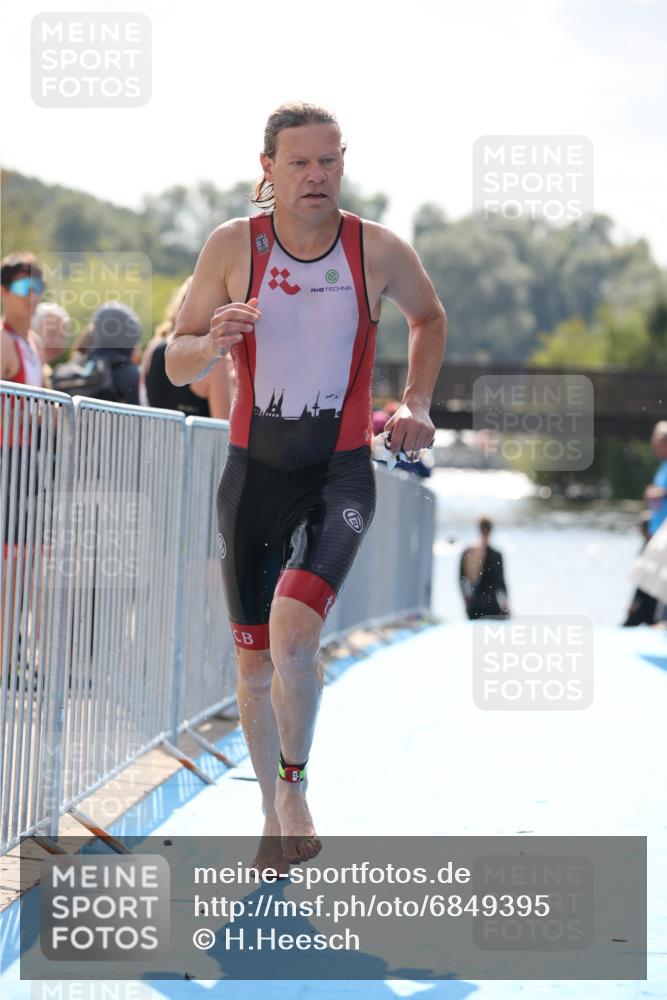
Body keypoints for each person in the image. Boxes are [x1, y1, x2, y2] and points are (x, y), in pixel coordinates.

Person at [165, 101, 446, 872]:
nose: (316, 175)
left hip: (340, 469)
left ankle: (293, 785)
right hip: (253, 472)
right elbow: (175, 362)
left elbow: (429, 318)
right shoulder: (232, 246)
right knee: (252, 663)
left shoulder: (377, 250)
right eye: (299, 162)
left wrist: (416, 402)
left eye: (329, 161)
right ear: (268, 171)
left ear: (342, 164)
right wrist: (209, 339)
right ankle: (269, 810)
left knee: (293, 634)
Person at [143, 277, 235, 418]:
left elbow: (144, 400)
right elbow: (222, 425)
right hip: (195, 440)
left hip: (155, 437)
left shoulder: (154, 347)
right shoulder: (214, 359)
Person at [1, 253, 47, 389]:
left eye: (37, 286)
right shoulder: (3, 340)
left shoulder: (36, 343)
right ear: (3, 291)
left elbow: (48, 404)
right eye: (23, 286)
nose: (32, 296)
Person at [459, 516, 510, 620]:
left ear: (478, 529)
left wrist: (467, 600)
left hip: (474, 604)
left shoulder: (468, 552)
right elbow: (501, 583)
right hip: (492, 605)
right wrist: (506, 605)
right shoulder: (496, 554)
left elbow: (462, 580)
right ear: (491, 530)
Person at [622, 510, 657, 627]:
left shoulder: (652, 548)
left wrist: (634, 602)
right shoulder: (651, 545)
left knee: (627, 628)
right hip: (652, 596)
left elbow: (643, 578)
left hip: (652, 598)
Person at [644, 421, 667, 539]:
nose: (654, 446)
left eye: (657, 442)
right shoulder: (663, 466)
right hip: (657, 531)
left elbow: (662, 493)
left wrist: (661, 494)